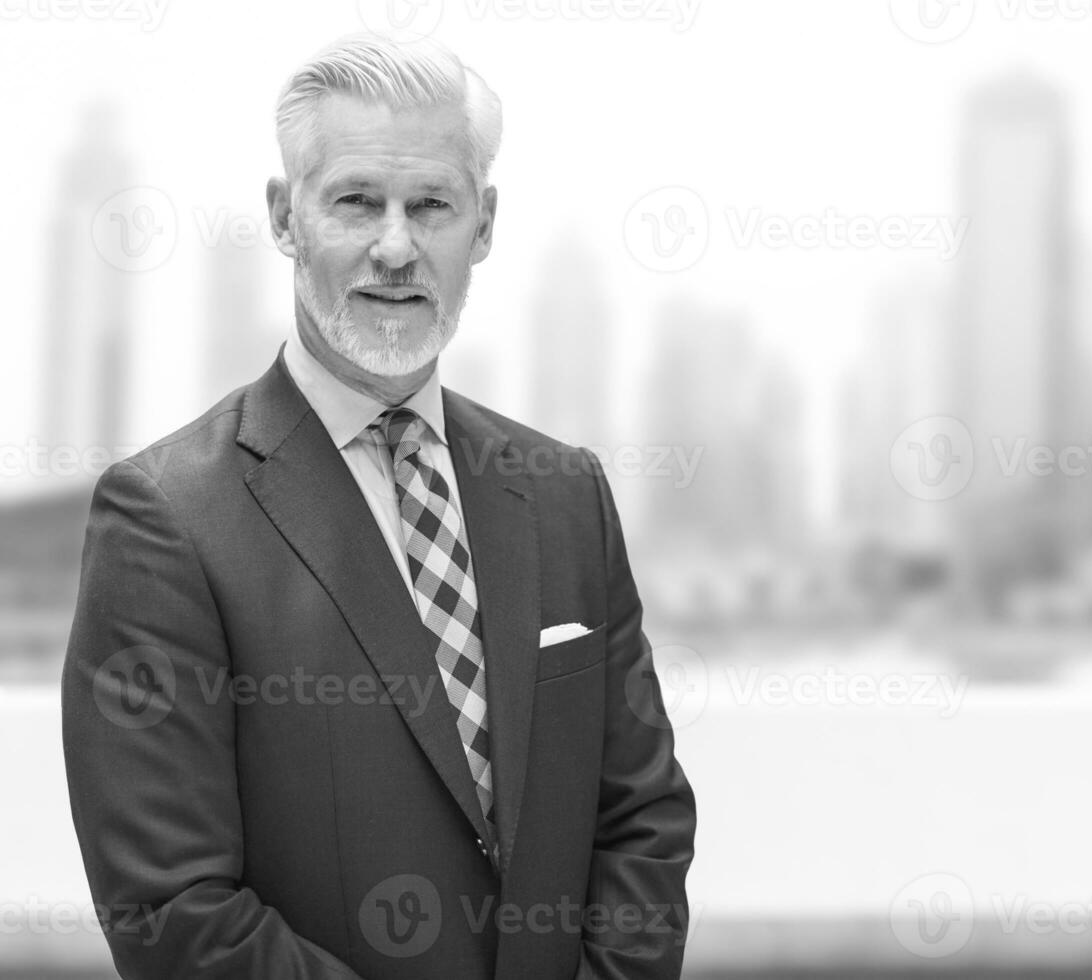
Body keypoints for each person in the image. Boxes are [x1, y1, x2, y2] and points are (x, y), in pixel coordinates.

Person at [61, 33, 696, 979]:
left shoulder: (565, 494)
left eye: (431, 205)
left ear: (481, 226)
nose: (395, 248)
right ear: (285, 216)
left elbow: (640, 818)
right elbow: (171, 911)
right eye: (356, 201)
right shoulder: (165, 520)